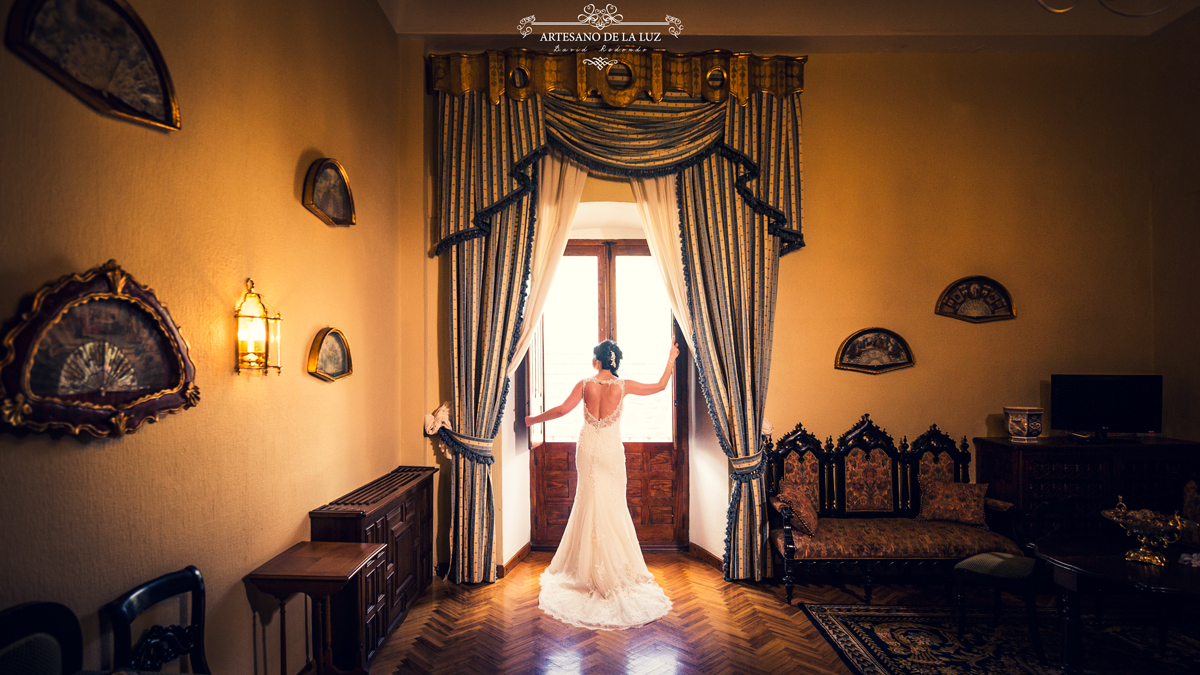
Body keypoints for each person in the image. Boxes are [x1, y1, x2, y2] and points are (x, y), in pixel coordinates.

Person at [524, 339, 679, 630]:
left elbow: (559, 411)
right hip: (609, 451)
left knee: (588, 502)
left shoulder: (585, 384)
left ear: (596, 361)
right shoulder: (624, 386)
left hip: (588, 449)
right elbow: (660, 387)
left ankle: (585, 570)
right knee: (612, 505)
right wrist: (671, 357)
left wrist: (532, 420)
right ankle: (611, 568)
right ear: (614, 361)